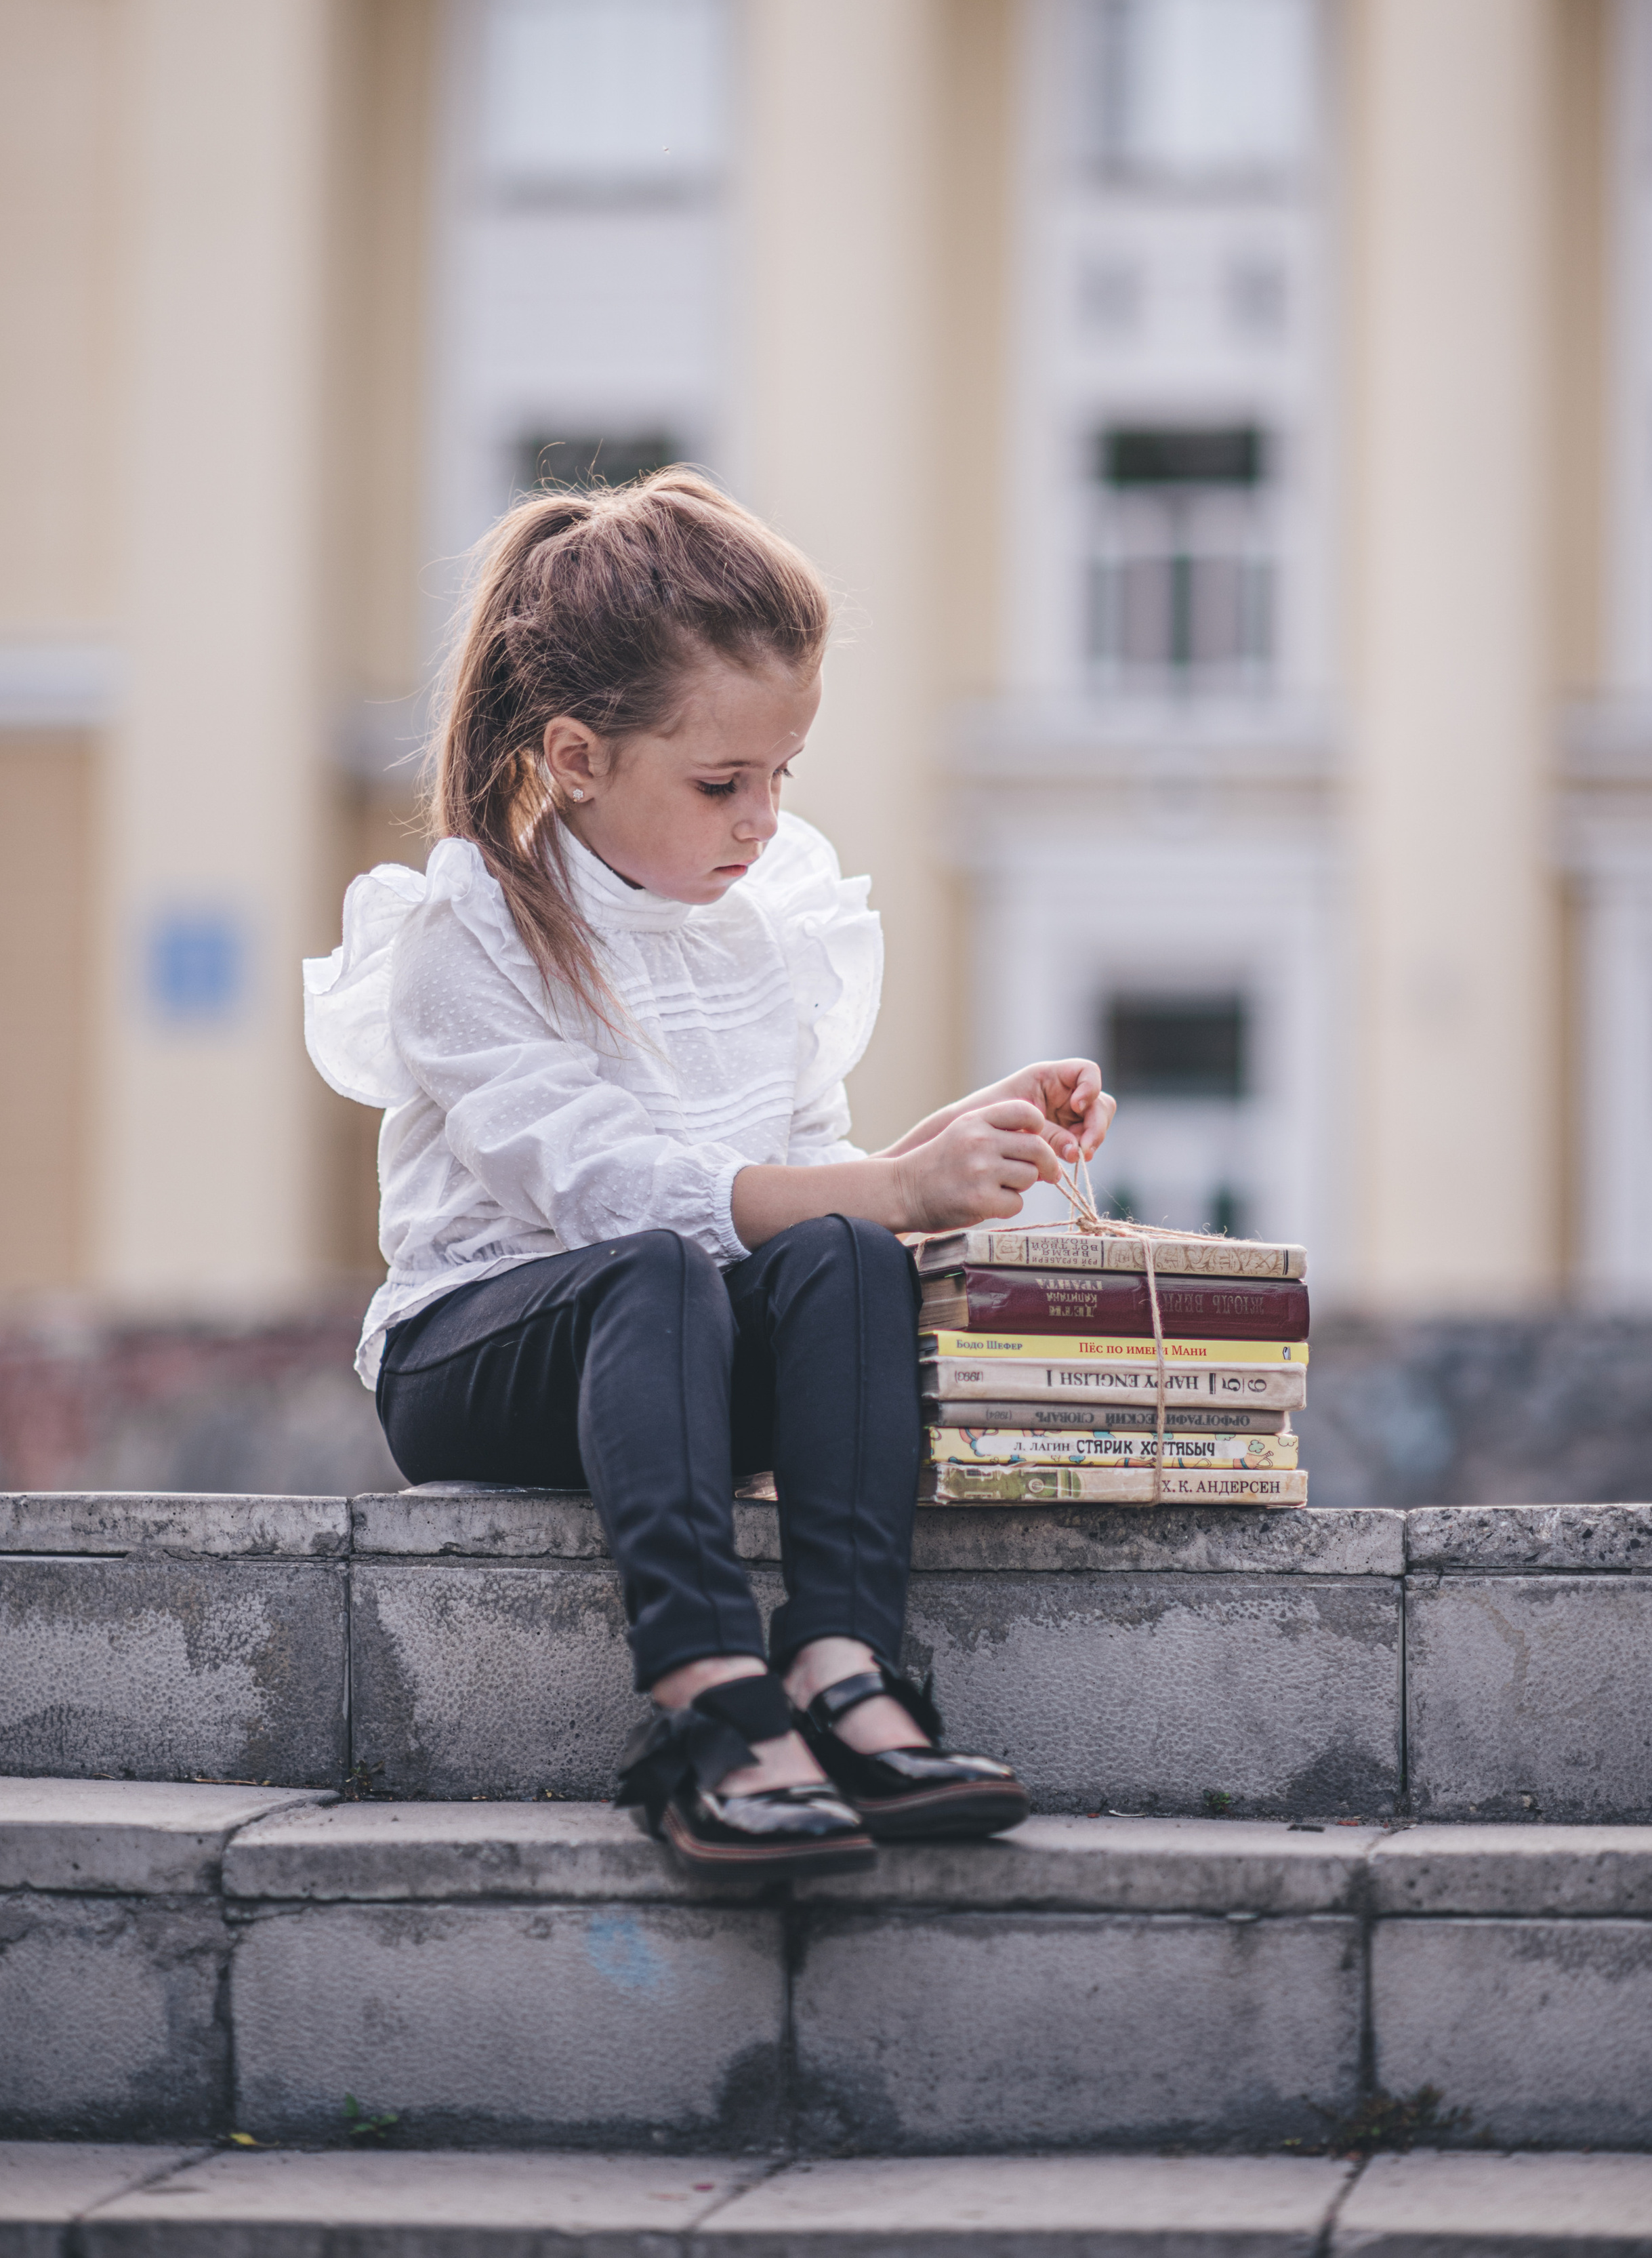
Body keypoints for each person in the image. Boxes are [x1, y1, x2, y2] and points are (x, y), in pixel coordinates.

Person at [304, 468, 1115, 1881]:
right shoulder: (466, 930)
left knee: (849, 1257)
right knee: (659, 1267)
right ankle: (704, 1704)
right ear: (574, 756)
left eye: (780, 777)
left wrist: (932, 1156)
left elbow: (805, 1191)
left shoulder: (762, 931)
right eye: (720, 783)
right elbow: (614, 1197)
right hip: (480, 1354)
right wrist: (895, 1188)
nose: (759, 818)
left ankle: (838, 1668)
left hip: (681, 1345)